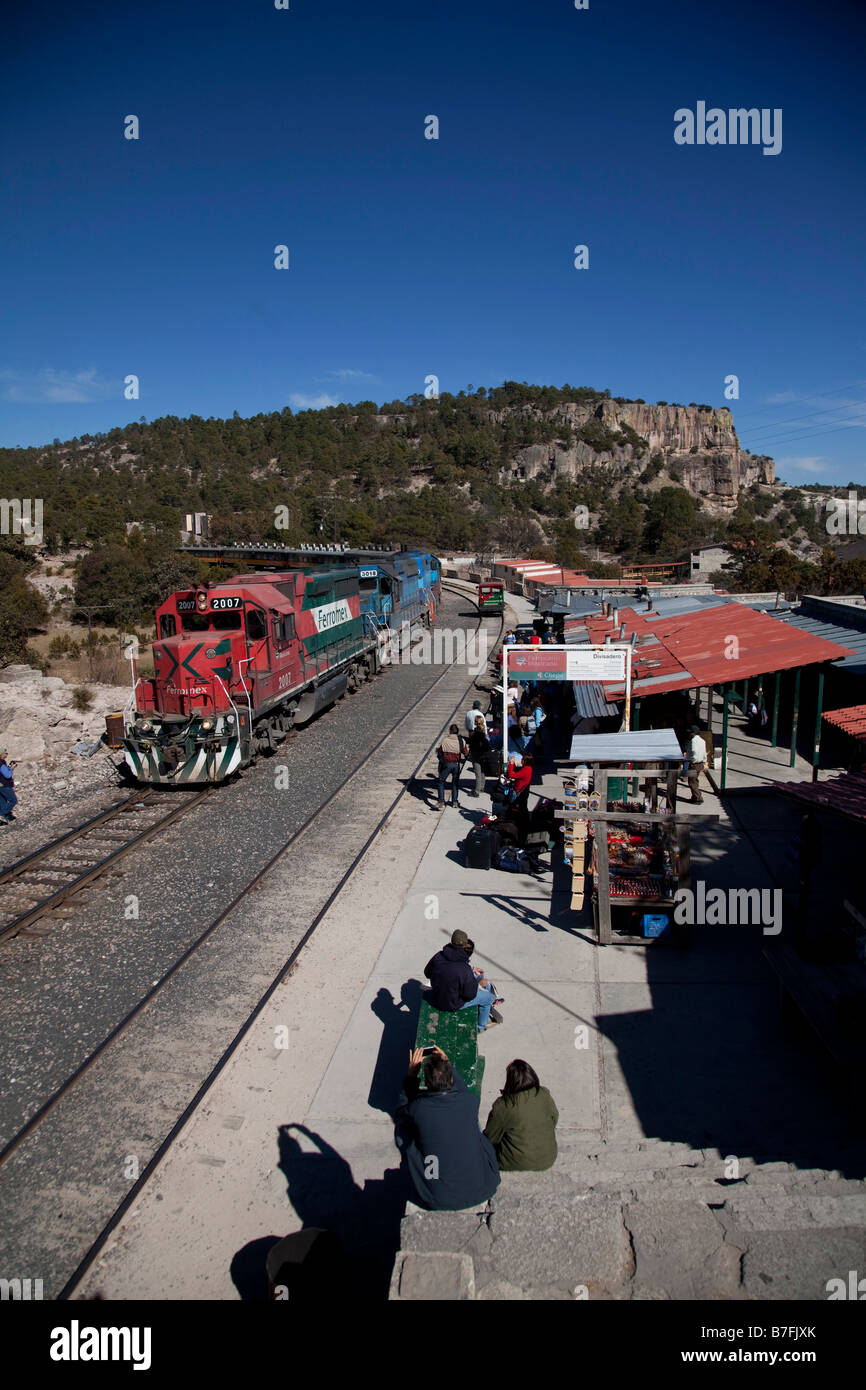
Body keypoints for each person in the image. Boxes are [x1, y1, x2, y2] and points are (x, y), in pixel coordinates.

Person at [395, 1045, 500, 1210]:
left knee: (401, 1131)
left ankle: (422, 1174)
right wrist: (449, 1064)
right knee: (474, 1126)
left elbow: (400, 1114)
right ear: (451, 1079)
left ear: (428, 1083)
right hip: (481, 1188)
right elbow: (463, 1090)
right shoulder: (469, 1101)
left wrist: (411, 1077)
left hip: (437, 1196)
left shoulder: (418, 1109)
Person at [483, 1060, 559, 1171]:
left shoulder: (503, 1106)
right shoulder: (544, 1094)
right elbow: (554, 1118)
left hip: (515, 1163)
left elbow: (490, 1137)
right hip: (548, 1159)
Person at [424, 929, 500, 1032]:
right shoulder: (464, 969)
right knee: (488, 998)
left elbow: (427, 973)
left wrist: (470, 971)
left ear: (451, 942)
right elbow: (470, 995)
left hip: (436, 997)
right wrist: (477, 984)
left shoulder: (438, 956)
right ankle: (481, 1027)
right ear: (465, 945)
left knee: (475, 979)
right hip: (452, 1004)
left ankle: (484, 1016)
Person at [435, 724, 466, 809]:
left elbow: (440, 751)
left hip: (447, 764)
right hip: (456, 765)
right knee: (455, 783)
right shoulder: (461, 740)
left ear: (450, 731)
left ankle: (441, 801)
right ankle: (454, 802)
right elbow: (465, 752)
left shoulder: (445, 740)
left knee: (441, 781)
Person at [467, 715, 491, 798]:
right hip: (483, 755)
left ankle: (476, 791)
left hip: (476, 755)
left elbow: (471, 744)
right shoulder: (484, 732)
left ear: (476, 722)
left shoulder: (475, 733)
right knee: (482, 772)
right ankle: (482, 787)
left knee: (477, 773)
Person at [685, 725, 707, 804]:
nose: (689, 734)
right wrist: (704, 761)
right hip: (700, 763)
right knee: (695, 781)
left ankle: (698, 798)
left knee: (691, 782)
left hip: (695, 764)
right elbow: (704, 753)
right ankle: (694, 797)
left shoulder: (693, 741)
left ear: (693, 733)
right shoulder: (702, 741)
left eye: (690, 732)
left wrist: (693, 761)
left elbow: (694, 751)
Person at [0, 752, 17, 826]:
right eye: (5, 753)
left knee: (3, 802)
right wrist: (12, 768)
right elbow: (7, 775)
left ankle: (8, 816)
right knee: (13, 800)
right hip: (4, 785)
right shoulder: (1, 763)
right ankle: (2, 813)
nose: (7, 754)